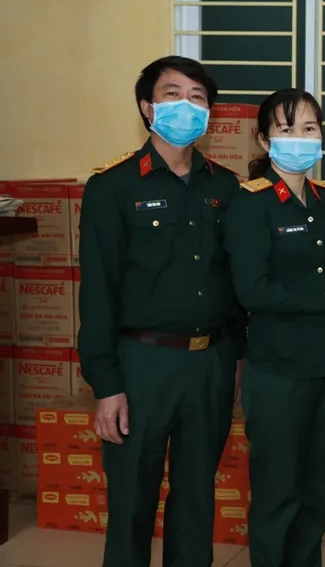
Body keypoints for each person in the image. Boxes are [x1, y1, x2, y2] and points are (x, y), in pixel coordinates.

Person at [77, 56, 247, 567]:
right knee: (132, 499)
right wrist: (106, 384)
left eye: (198, 97)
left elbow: (236, 283)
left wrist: (237, 360)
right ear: (147, 108)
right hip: (140, 365)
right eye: (173, 94)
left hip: (210, 363)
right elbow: (98, 291)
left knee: (196, 500)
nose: (186, 106)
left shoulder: (226, 187)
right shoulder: (112, 186)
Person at [223, 89, 325, 567]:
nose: (300, 137)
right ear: (263, 139)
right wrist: (324, 302)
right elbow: (253, 291)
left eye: (309, 128)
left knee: (317, 491)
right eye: (286, 128)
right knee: (278, 493)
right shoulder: (249, 203)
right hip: (278, 370)